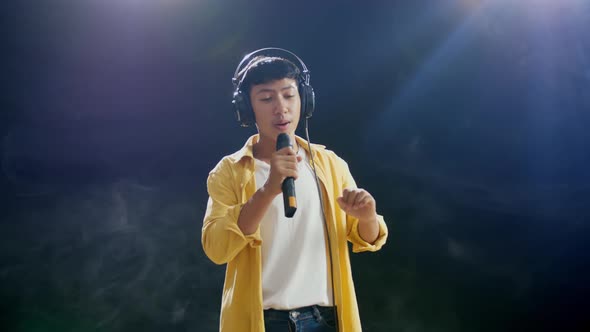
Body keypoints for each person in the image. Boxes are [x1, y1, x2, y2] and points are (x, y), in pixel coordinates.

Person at [201, 48, 388, 332]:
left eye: (289, 95)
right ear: (247, 108)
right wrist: (268, 189)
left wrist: (367, 217)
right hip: (263, 321)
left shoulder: (330, 165)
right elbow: (216, 249)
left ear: (305, 100)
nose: (281, 108)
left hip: (326, 320)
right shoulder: (229, 171)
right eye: (266, 98)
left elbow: (368, 238)